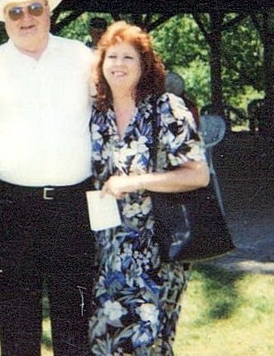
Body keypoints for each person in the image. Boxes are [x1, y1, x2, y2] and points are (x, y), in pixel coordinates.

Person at [0, 0, 95, 356]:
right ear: (4, 19)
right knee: (16, 326)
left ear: (48, 10)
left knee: (76, 323)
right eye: (15, 11)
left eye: (35, 8)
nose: (27, 18)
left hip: (74, 208)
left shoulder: (82, 57)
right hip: (8, 210)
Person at [88, 21, 210, 355]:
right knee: (104, 341)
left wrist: (136, 181)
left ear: (144, 65)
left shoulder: (166, 108)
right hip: (106, 250)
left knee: (147, 341)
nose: (119, 64)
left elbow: (198, 174)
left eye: (128, 57)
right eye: (112, 57)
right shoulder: (97, 114)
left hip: (156, 248)